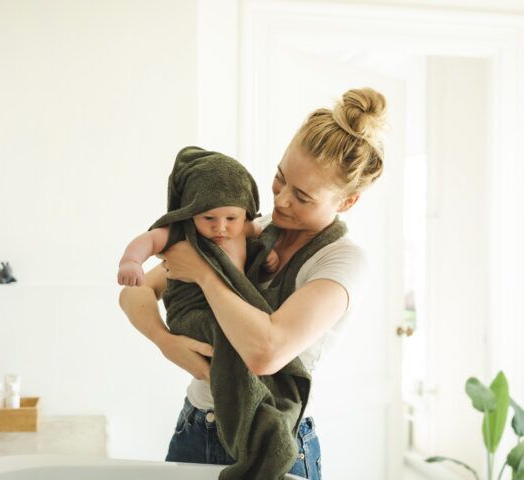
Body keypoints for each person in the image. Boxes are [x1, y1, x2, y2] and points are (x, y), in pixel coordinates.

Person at [119, 87, 386, 479]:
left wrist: (206, 274)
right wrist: (164, 341)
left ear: (347, 202)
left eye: (303, 196)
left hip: (272, 444)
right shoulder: (248, 231)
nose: (280, 201)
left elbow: (266, 351)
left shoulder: (342, 261)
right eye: (280, 179)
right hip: (196, 428)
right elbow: (137, 291)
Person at [116, 148, 278, 288]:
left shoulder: (245, 227)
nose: (220, 227)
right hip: (194, 302)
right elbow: (150, 240)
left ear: (245, 213)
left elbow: (261, 237)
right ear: (191, 212)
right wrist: (131, 261)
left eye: (231, 218)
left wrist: (267, 253)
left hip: (234, 301)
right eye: (208, 218)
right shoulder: (184, 231)